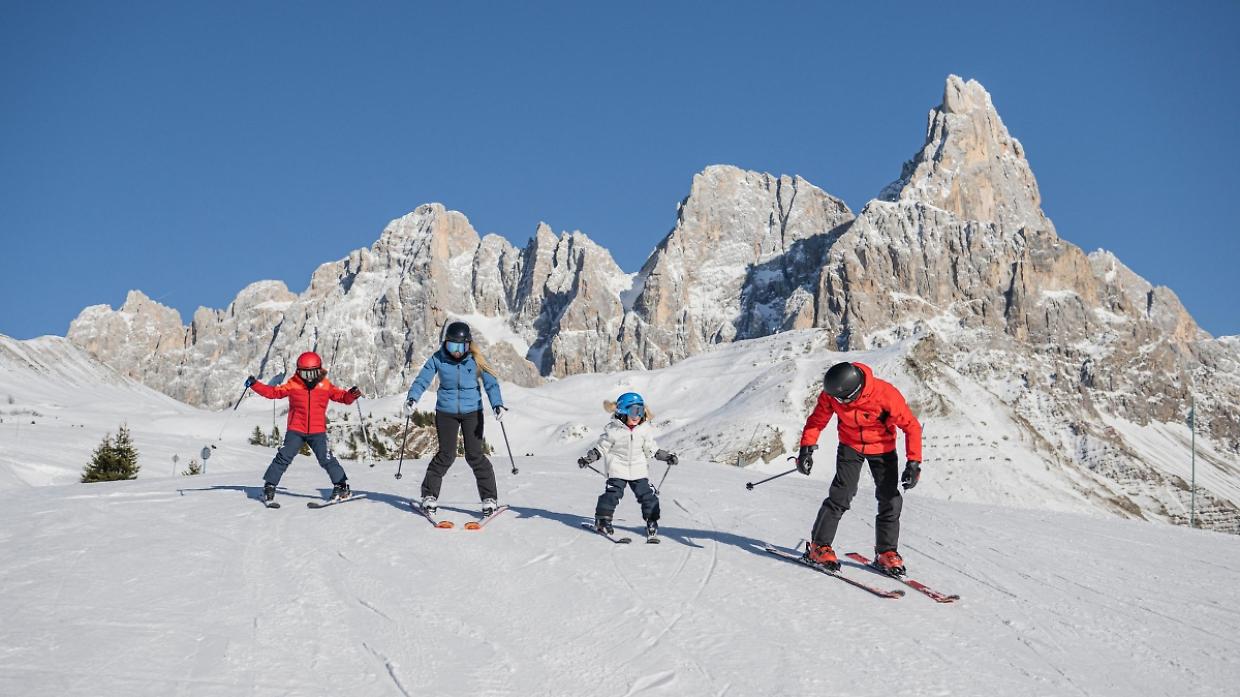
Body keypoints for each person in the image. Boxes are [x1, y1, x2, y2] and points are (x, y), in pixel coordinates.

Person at [795, 361, 922, 575]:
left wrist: (914, 463)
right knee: (841, 494)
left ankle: (886, 552)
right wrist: (806, 449)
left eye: (841, 400)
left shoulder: (886, 395)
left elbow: (911, 426)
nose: (837, 403)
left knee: (890, 499)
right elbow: (817, 419)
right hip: (850, 446)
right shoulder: (833, 394)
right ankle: (819, 546)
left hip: (882, 448)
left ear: (854, 392)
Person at [404, 321, 506, 517]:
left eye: (461, 347)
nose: (457, 352)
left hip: (472, 413)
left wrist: (497, 404)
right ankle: (429, 496)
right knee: (446, 455)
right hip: (446, 412)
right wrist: (412, 398)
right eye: (452, 346)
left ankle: (489, 498)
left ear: (468, 345)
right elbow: (423, 379)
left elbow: (491, 383)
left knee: (475, 455)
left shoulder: (476, 359)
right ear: (446, 344)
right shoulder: (439, 358)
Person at [246, 351, 362, 504]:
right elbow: (273, 392)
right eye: (305, 373)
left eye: (313, 373)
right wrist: (255, 385)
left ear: (319, 371)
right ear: (299, 372)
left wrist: (351, 395)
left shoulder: (324, 385)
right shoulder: (293, 384)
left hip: (317, 431)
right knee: (283, 457)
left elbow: (342, 397)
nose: (309, 377)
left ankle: (342, 487)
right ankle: (269, 487)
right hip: (296, 430)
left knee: (326, 458)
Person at [577, 392, 678, 539]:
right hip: (617, 469)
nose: (637, 416)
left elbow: (652, 449)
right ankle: (602, 521)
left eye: (640, 411)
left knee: (648, 497)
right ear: (623, 411)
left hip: (639, 470)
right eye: (633, 411)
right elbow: (601, 448)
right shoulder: (613, 431)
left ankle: (652, 521)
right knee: (612, 494)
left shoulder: (644, 430)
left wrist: (667, 457)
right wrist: (588, 459)